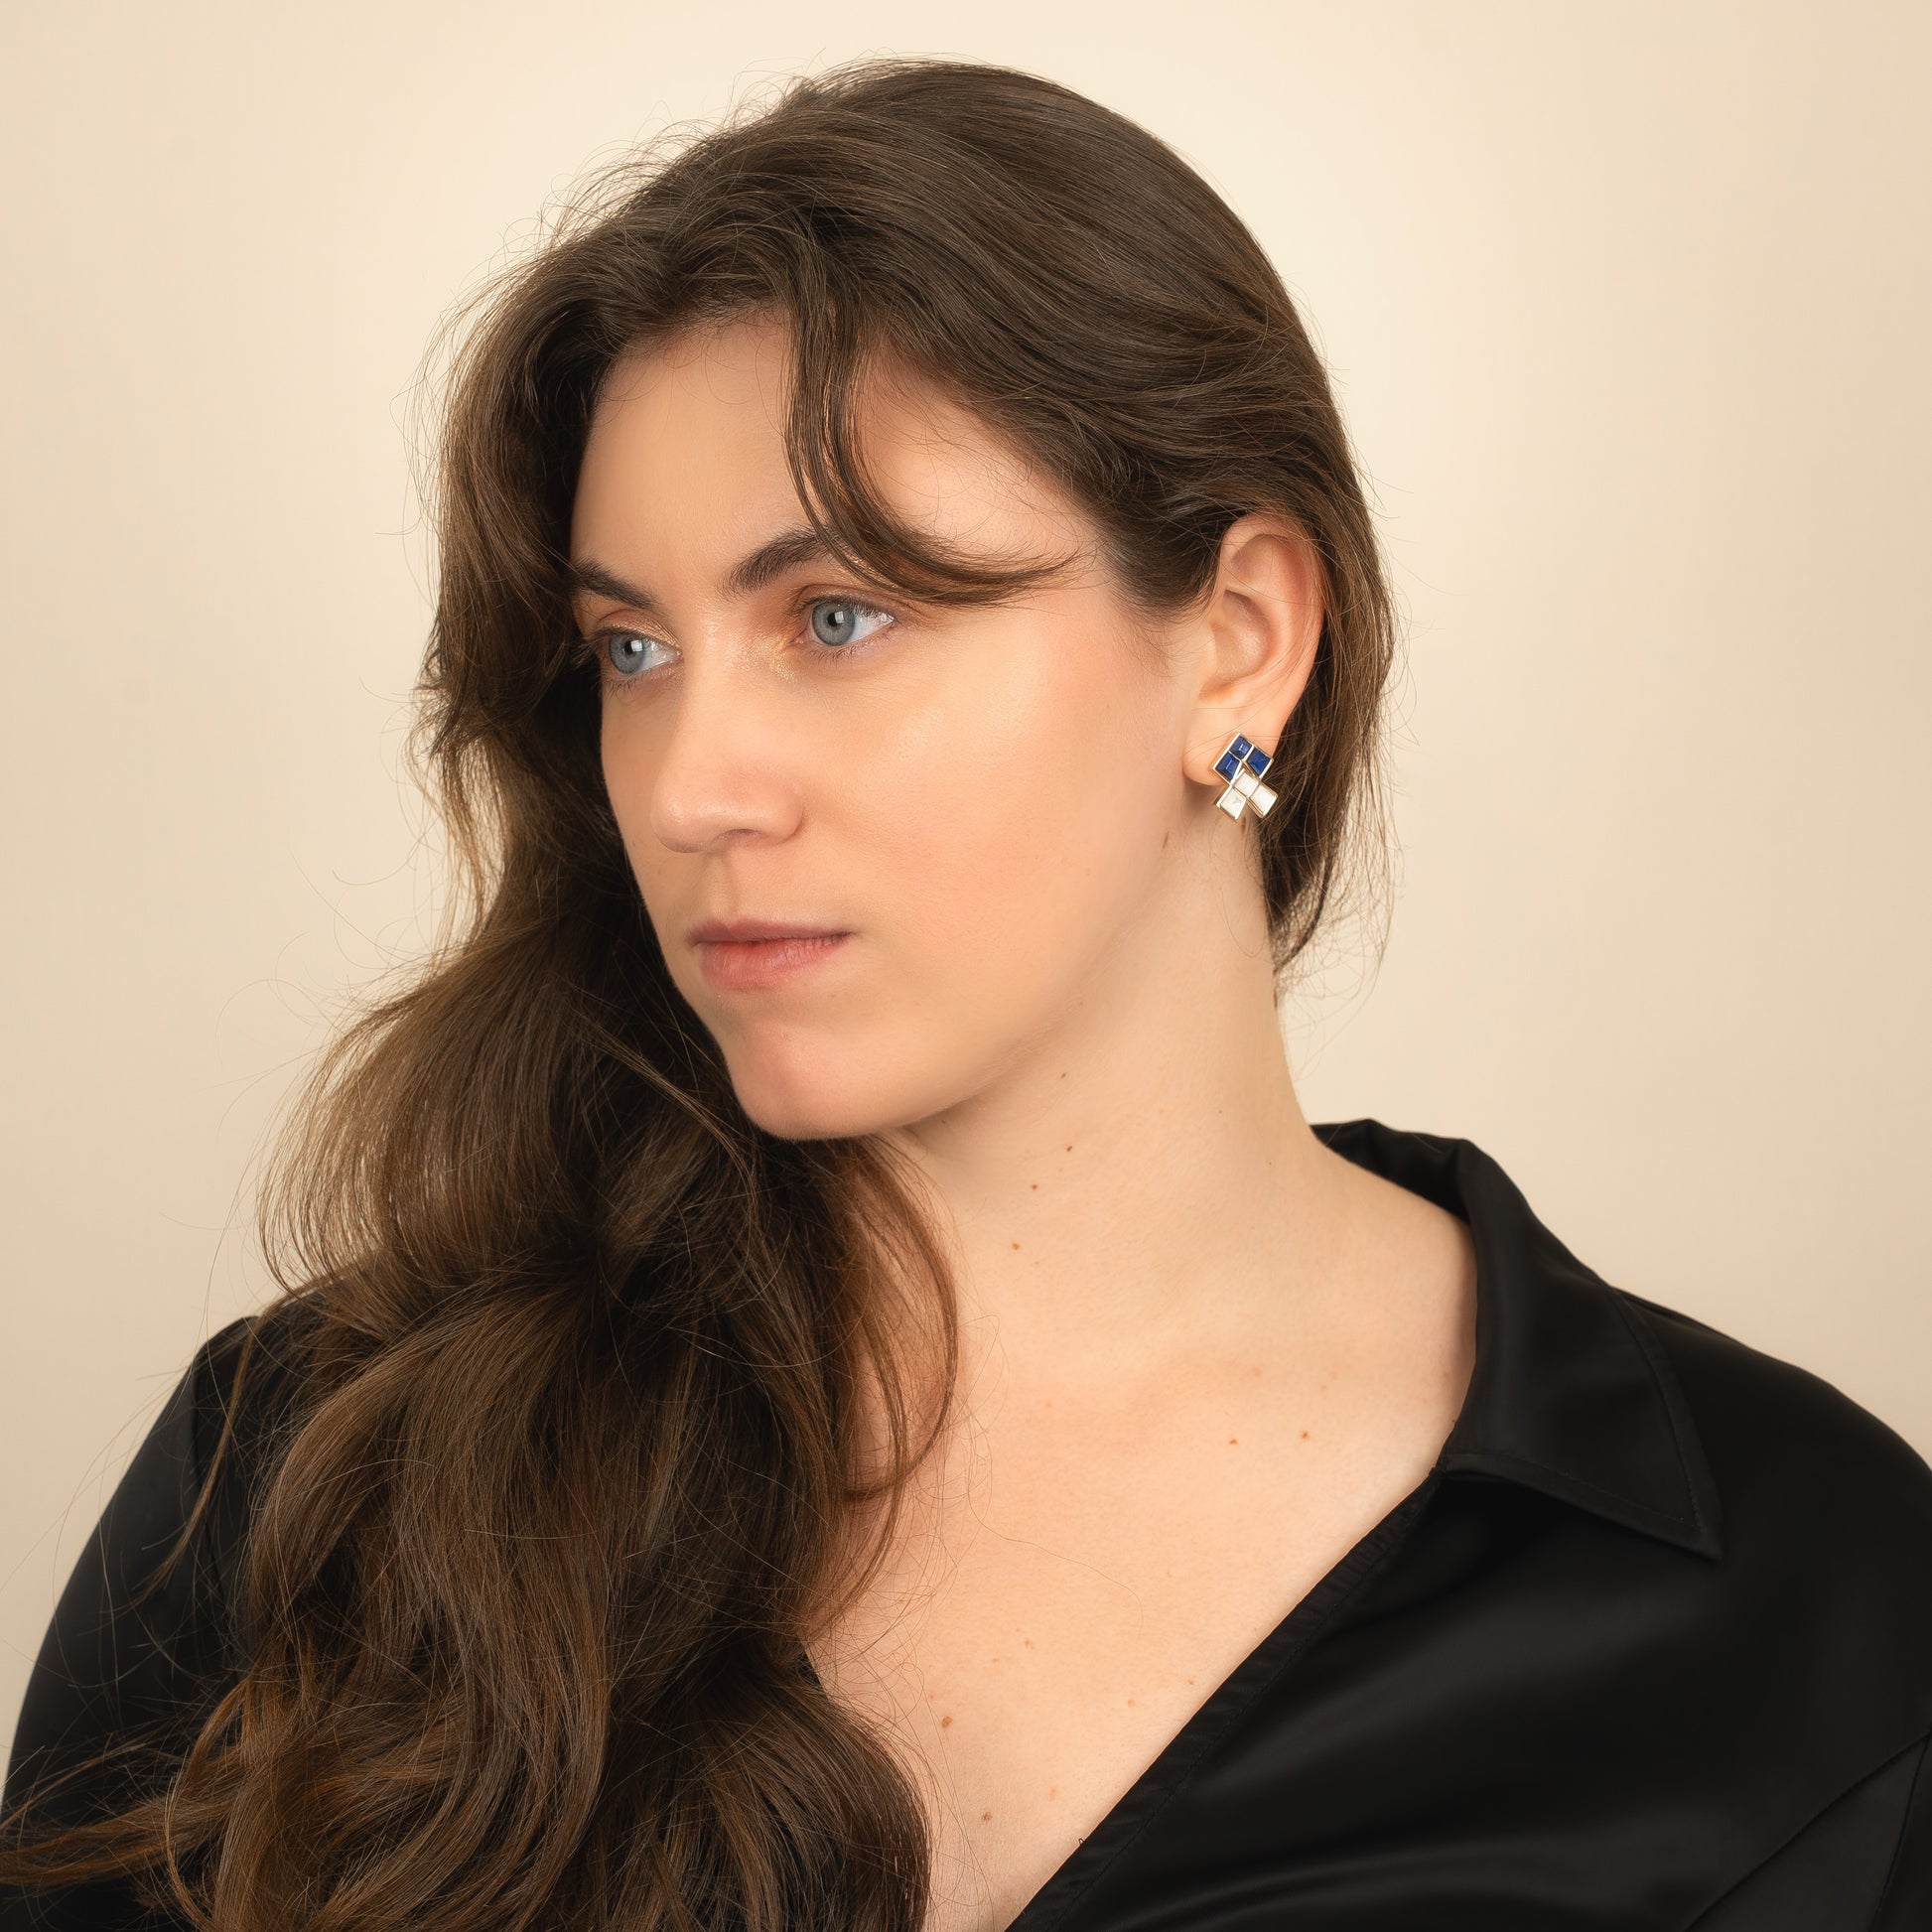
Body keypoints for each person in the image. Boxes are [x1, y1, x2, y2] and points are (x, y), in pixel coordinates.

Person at [3, 54, 1929, 1932]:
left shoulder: (1811, 1602)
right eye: (631, 649)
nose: (688, 787)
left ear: (1238, 640)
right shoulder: (312, 1478)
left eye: (836, 616)